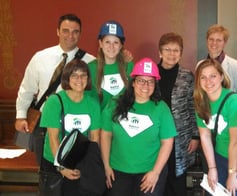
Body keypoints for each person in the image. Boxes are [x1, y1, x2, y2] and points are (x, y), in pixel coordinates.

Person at [15, 13, 95, 163]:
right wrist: (21, 116)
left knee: (75, 169)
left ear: (80, 34)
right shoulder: (40, 57)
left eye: (75, 31)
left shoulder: (90, 62)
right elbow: (27, 89)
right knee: (47, 170)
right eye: (65, 30)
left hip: (77, 125)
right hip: (44, 123)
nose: (70, 35)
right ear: (58, 31)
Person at [101, 57, 178, 196]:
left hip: (149, 172)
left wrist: (155, 173)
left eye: (150, 82)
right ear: (133, 82)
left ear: (155, 84)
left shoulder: (161, 108)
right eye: (141, 80)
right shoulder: (114, 104)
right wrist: (106, 166)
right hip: (118, 172)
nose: (145, 86)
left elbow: (167, 143)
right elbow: (106, 135)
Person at [39, 59, 101, 196]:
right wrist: (61, 167)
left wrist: (88, 165)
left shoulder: (93, 103)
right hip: (54, 162)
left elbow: (95, 139)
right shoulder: (55, 101)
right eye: (74, 75)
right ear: (67, 78)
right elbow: (53, 138)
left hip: (79, 161)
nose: (79, 79)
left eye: (83, 75)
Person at [193, 58, 237, 196]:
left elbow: (235, 142)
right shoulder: (201, 103)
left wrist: (232, 174)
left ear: (221, 77)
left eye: (213, 76)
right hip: (218, 157)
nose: (208, 81)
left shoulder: (234, 102)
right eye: (203, 77)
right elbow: (205, 136)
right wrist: (212, 168)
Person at [156, 32, 199, 196]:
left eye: (176, 50)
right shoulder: (151, 75)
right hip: (156, 135)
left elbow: (193, 106)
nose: (171, 54)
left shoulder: (187, 76)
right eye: (167, 49)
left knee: (177, 178)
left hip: (181, 137)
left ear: (180, 53)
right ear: (160, 52)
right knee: (159, 175)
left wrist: (195, 136)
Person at [87, 20, 134, 110]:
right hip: (99, 122)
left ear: (121, 45)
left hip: (124, 121)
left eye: (116, 42)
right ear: (100, 43)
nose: (111, 46)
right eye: (107, 42)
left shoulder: (129, 66)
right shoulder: (90, 68)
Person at [197, 24, 237, 98]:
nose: (214, 43)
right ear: (206, 40)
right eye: (211, 39)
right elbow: (199, 93)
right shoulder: (199, 65)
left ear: (225, 43)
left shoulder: (236, 66)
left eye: (219, 40)